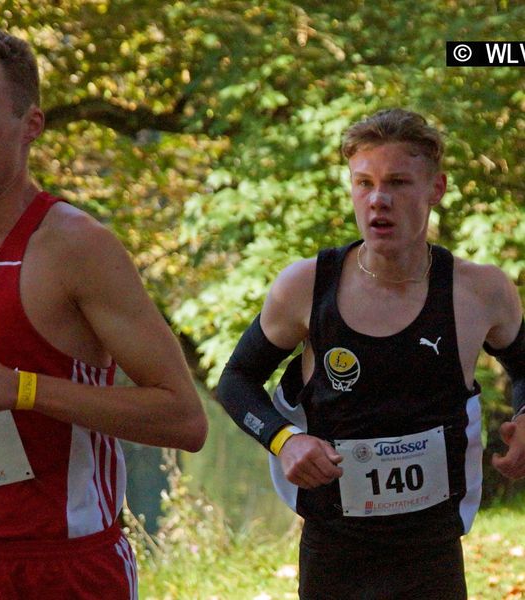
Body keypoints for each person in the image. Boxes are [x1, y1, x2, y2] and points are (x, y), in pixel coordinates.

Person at [0, 27, 207, 599]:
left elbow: (183, 419)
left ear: (31, 126)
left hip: (60, 568)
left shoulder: (76, 248)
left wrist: (24, 389)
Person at [217, 108, 524, 599]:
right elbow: (235, 380)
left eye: (399, 183)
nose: (378, 200)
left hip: (433, 549)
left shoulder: (479, 290)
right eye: (364, 183)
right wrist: (285, 440)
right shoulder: (307, 285)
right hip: (337, 547)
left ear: (436, 189)